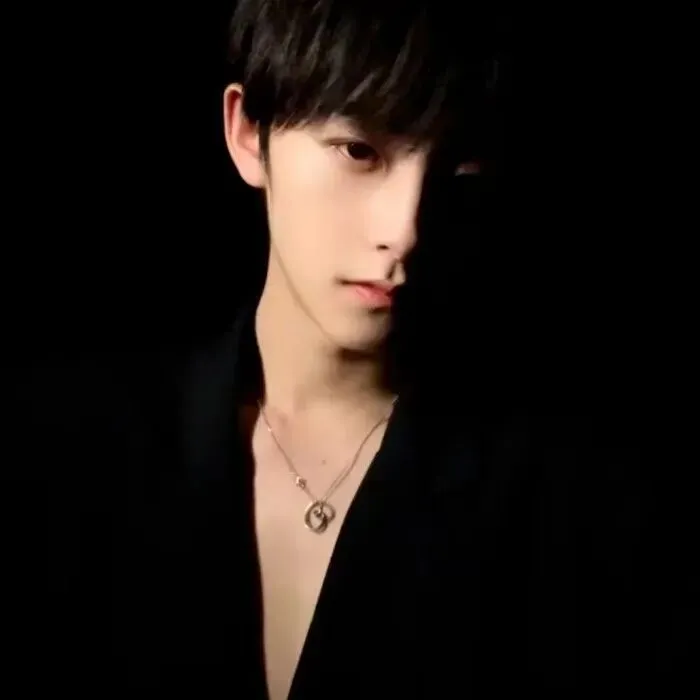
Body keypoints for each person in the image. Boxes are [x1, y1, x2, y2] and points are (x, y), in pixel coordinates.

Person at [5, 0, 693, 698]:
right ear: (247, 132)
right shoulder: (56, 453)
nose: (406, 229)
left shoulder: (583, 511)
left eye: (454, 171)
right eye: (359, 152)